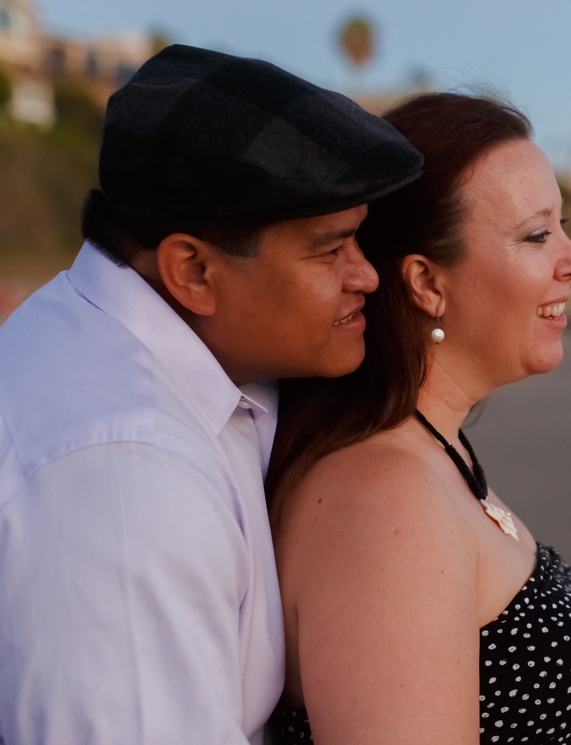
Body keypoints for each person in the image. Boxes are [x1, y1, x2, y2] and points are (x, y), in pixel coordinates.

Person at [0, 45, 423, 744]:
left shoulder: (182, 355)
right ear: (193, 271)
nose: (367, 277)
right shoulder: (125, 480)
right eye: (331, 249)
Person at [265, 93, 571, 745]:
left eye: (563, 227)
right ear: (427, 283)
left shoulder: (430, 455)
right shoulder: (383, 499)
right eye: (537, 235)